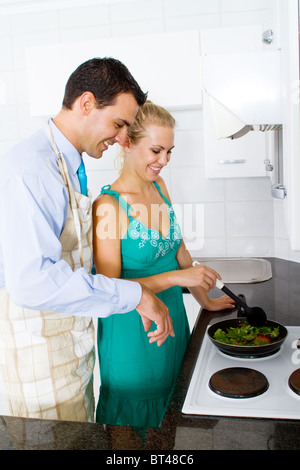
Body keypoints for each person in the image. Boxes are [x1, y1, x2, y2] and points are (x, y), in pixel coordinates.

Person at [0, 58, 174, 423]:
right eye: (119, 124)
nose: (123, 138)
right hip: (40, 371)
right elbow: (32, 282)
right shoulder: (31, 169)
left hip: (73, 359)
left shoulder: (67, 165)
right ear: (86, 104)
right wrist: (136, 294)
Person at [92, 101, 235, 429]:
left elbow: (179, 249)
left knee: (169, 423)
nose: (164, 161)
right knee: (134, 428)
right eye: (156, 150)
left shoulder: (159, 187)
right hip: (133, 334)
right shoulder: (107, 207)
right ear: (127, 142)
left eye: (169, 152)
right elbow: (110, 290)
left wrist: (206, 301)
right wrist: (178, 277)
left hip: (173, 325)